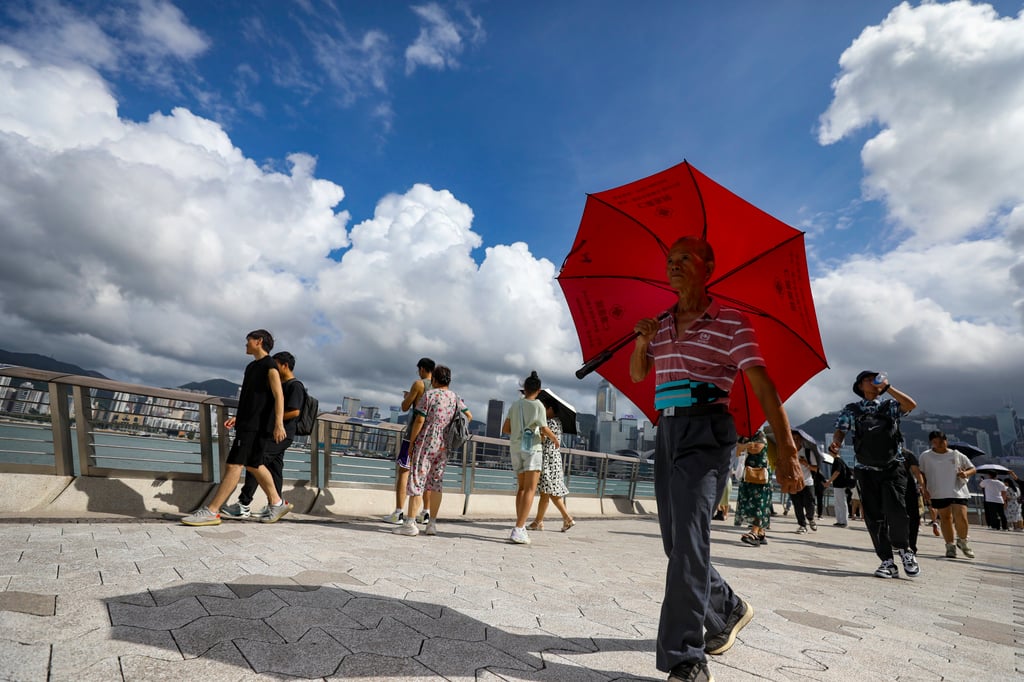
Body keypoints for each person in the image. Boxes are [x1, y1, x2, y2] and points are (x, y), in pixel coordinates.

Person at [630, 236, 803, 682]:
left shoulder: (731, 321)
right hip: (666, 430)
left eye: (684, 258)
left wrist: (786, 450)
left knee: (688, 542)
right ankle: (727, 609)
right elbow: (638, 374)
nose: (673, 265)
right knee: (676, 543)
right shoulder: (662, 323)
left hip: (707, 428)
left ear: (708, 265)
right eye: (669, 260)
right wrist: (642, 343)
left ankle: (686, 657)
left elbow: (763, 385)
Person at [182, 330, 292, 526]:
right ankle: (277, 502)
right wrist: (237, 417)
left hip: (256, 426)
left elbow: (279, 397)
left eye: (248, 340)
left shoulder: (270, 366)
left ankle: (212, 511)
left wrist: (278, 424)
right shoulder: (251, 367)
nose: (246, 344)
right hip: (247, 423)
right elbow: (250, 398)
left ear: (258, 341)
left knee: (234, 465)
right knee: (254, 464)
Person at [829, 370, 918, 579]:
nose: (872, 381)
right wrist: (836, 443)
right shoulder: (852, 409)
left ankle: (905, 551)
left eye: (874, 378)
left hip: (893, 466)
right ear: (860, 387)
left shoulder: (889, 406)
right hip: (864, 468)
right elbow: (841, 429)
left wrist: (888, 389)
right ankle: (887, 561)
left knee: (897, 510)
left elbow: (911, 405)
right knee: (873, 516)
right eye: (867, 380)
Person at [220, 351, 304, 520]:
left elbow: (295, 411)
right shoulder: (277, 383)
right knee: (275, 469)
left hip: (281, 433)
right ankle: (274, 506)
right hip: (272, 431)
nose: (272, 368)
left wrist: (274, 420)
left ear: (284, 366)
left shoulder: (294, 386)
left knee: (255, 462)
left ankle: (244, 504)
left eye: (275, 365)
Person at [392, 365, 470, 537]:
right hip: (444, 443)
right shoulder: (455, 397)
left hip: (426, 440)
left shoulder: (430, 395)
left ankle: (410, 523)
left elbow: (419, 420)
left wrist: (412, 443)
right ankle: (432, 524)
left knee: (417, 479)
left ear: (434, 379)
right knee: (436, 483)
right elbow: (468, 415)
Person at [502, 371, 558, 545]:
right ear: (539, 390)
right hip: (532, 449)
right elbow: (544, 427)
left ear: (524, 389)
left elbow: (506, 428)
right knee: (530, 490)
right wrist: (553, 438)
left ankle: (520, 525)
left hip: (516, 448)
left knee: (521, 488)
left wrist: (520, 431)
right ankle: (519, 528)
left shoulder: (515, 405)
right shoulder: (539, 406)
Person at [384, 357, 435, 525]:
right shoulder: (438, 388)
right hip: (430, 439)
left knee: (404, 472)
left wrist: (408, 396)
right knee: (426, 476)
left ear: (421, 369)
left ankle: (398, 513)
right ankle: (425, 513)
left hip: (413, 434)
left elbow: (405, 407)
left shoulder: (419, 384)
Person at [917, 431, 975, 558]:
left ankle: (963, 541)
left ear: (946, 441)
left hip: (958, 490)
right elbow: (921, 473)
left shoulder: (956, 454)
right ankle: (950, 546)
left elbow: (973, 468)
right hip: (938, 491)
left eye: (942, 442)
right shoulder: (925, 456)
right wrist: (924, 488)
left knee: (961, 516)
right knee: (946, 518)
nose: (939, 445)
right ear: (931, 443)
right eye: (935, 442)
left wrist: (966, 474)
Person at [527, 393, 575, 532]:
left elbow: (542, 436)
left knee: (550, 492)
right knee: (546, 492)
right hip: (553, 460)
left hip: (548, 460)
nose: (542, 411)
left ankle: (568, 518)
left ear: (550, 409)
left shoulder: (550, 423)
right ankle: (539, 522)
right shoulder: (558, 422)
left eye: (544, 408)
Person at [734, 430, 772, 546]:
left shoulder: (759, 434)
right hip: (747, 474)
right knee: (751, 501)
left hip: (759, 474)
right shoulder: (742, 437)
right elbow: (737, 451)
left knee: (759, 503)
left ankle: (754, 532)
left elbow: (757, 448)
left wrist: (743, 446)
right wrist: (746, 446)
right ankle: (761, 532)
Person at [789, 433, 818, 534]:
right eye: (793, 439)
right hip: (793, 482)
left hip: (807, 482)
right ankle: (802, 525)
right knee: (797, 505)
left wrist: (806, 464)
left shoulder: (808, 452)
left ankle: (810, 518)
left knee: (810, 503)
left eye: (797, 439)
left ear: (801, 440)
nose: (795, 440)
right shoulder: (789, 453)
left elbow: (816, 468)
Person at [823, 453, 853, 527]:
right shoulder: (840, 460)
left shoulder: (837, 461)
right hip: (839, 485)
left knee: (841, 503)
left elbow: (837, 472)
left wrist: (829, 481)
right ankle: (840, 520)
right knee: (838, 503)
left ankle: (843, 521)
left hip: (840, 485)